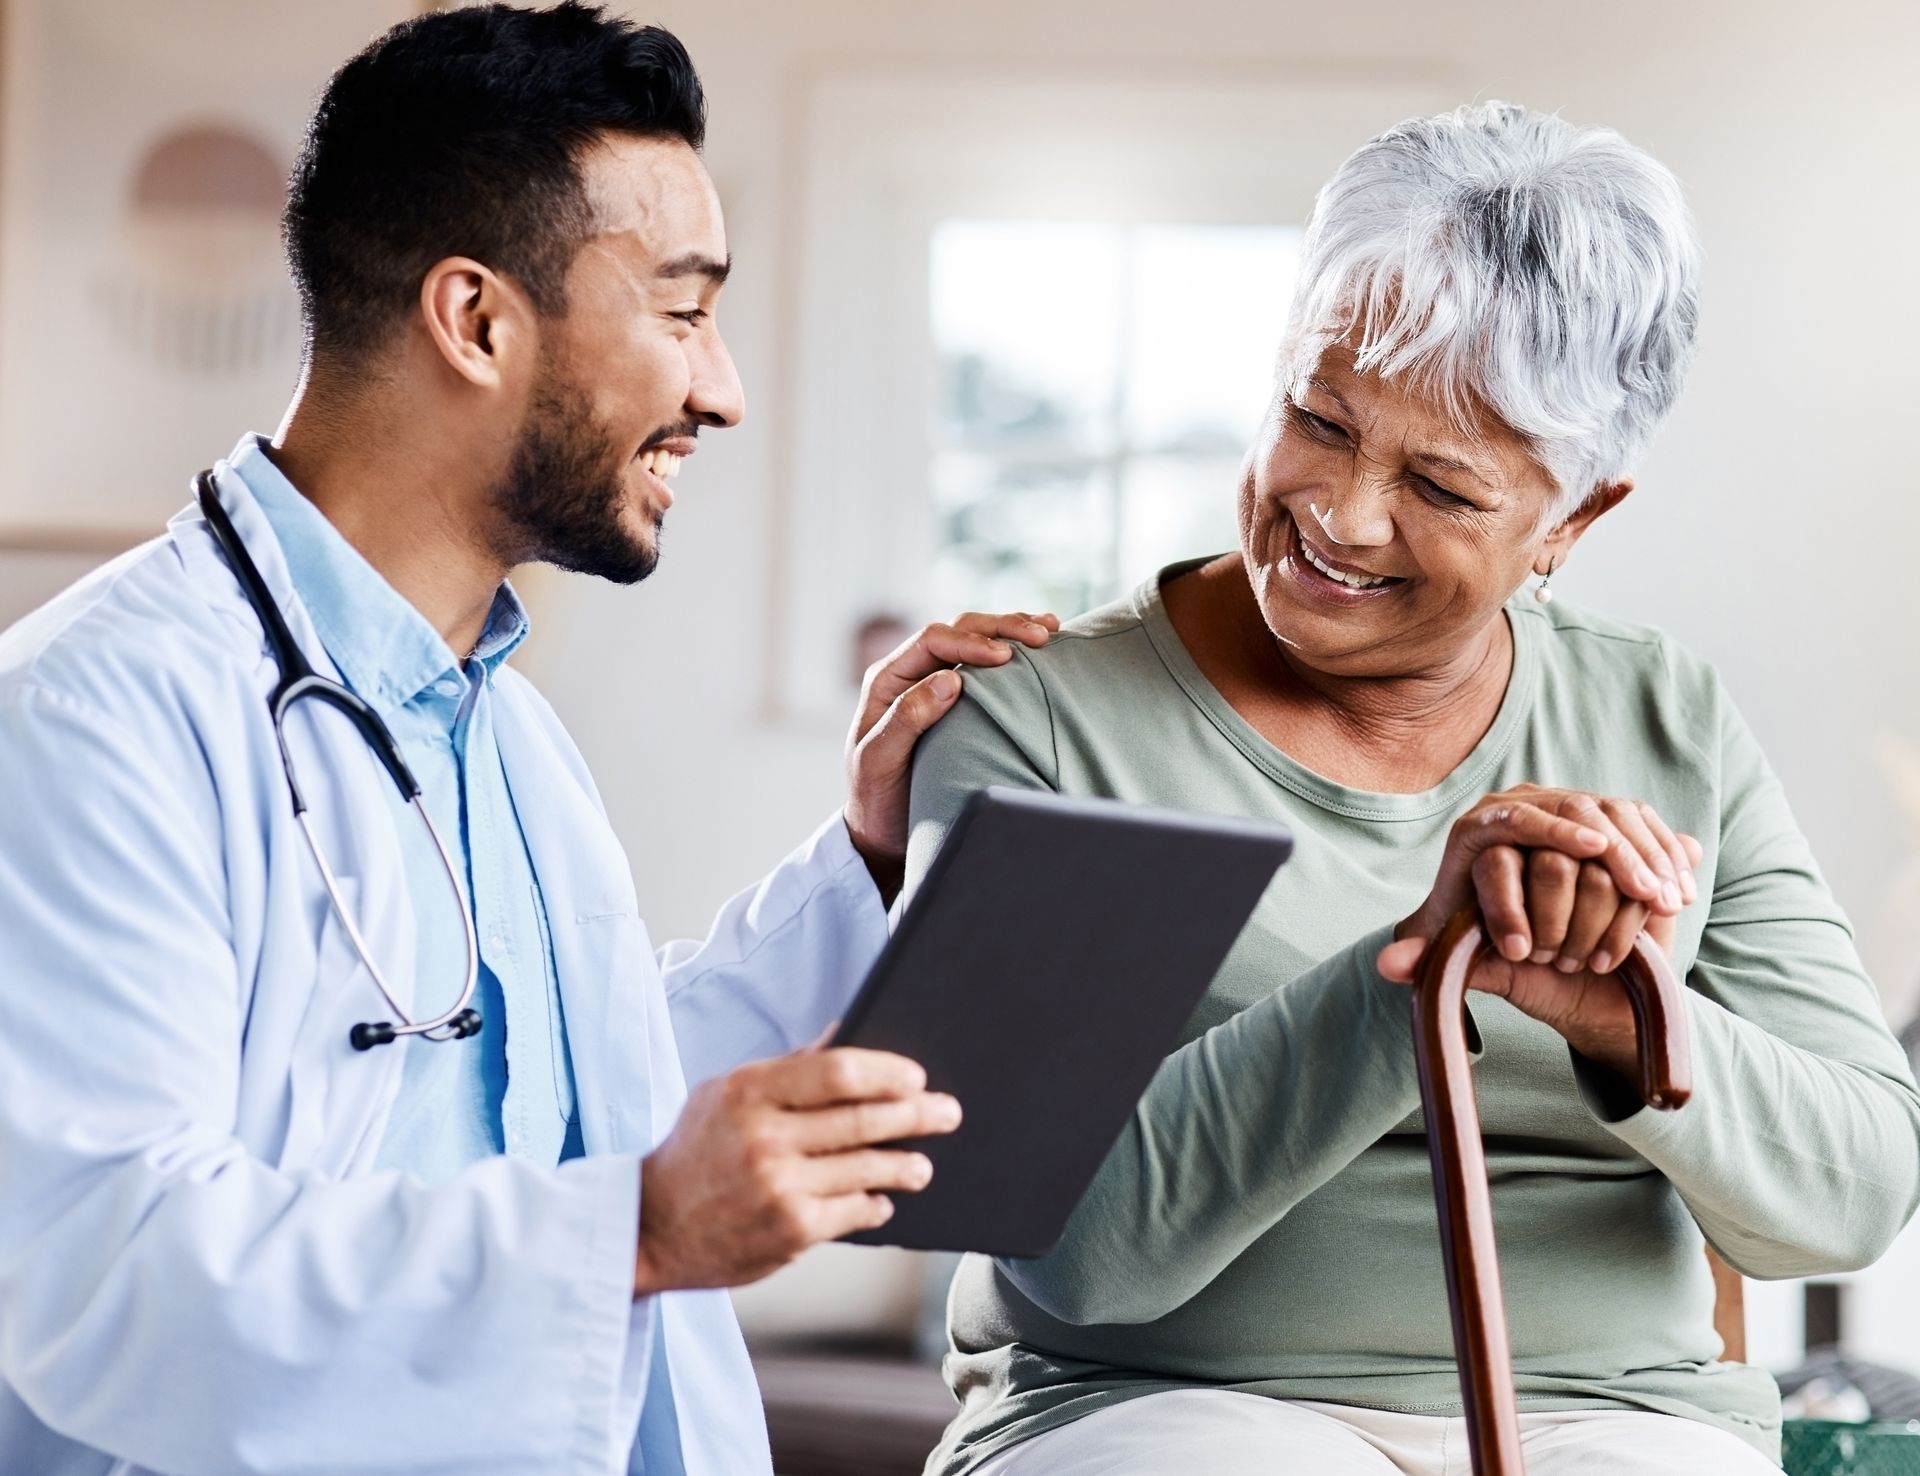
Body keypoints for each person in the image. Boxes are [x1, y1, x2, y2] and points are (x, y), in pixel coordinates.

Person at [0, 6, 1058, 1474]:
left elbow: (591, 1098)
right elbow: (102, 1275)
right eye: (683, 312)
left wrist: (870, 859)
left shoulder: (502, 725)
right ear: (478, 320)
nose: (722, 389)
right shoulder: (89, 721)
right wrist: (635, 1229)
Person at [907, 102, 1920, 1475]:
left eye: (1442, 486)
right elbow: (1071, 1251)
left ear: (1574, 518)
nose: (1342, 512)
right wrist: (1412, 974)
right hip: (1157, 1410)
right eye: (1317, 419)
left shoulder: (1659, 714)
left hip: (1615, 1415)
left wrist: (1634, 1020)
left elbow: (1854, 1194)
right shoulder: (1046, 719)